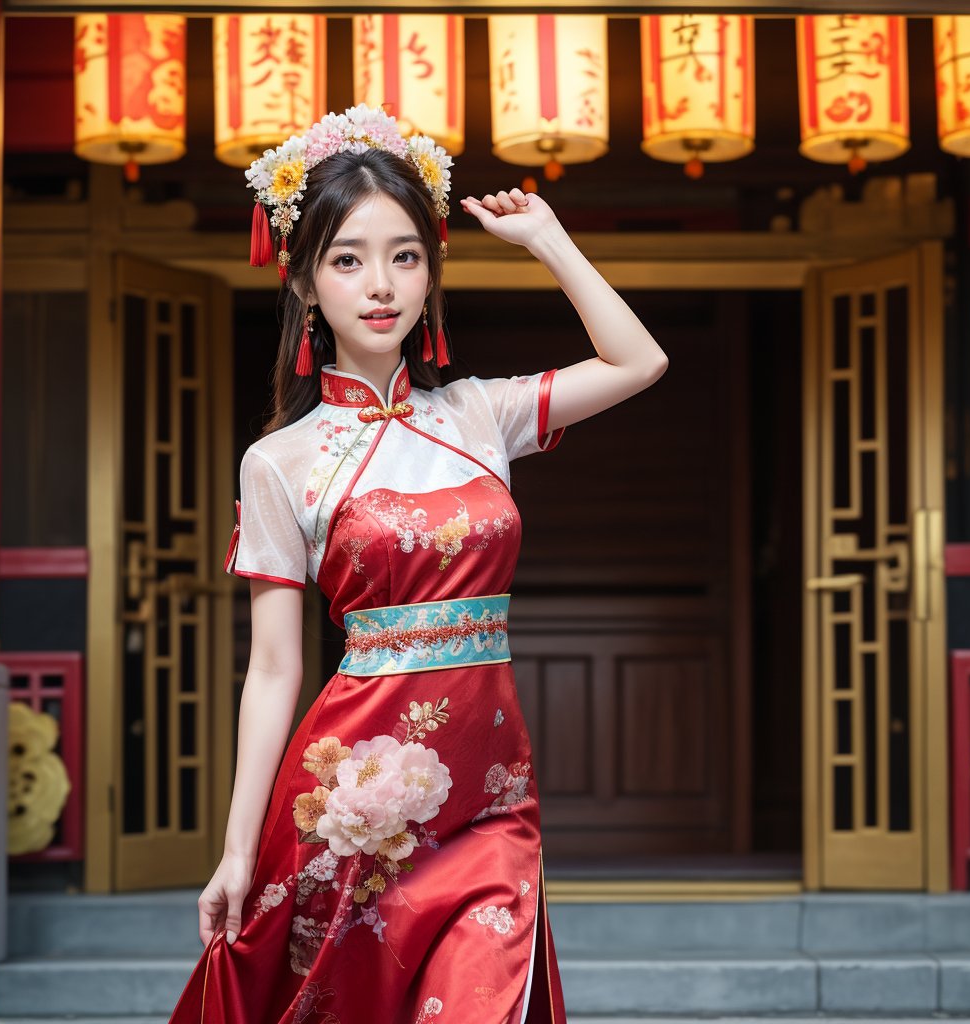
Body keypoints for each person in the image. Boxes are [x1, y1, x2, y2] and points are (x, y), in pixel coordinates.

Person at [165, 104, 667, 1024]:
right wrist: (237, 850)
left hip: (490, 797)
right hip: (356, 802)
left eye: (405, 254)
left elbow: (638, 361)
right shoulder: (280, 461)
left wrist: (550, 239)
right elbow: (273, 669)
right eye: (348, 259)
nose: (381, 283)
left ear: (432, 272)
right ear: (305, 282)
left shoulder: (482, 414)